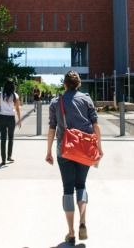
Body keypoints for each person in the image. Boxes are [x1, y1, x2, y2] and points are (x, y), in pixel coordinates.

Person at [45, 71, 102, 246]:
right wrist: (99, 148)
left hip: (65, 150)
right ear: (78, 85)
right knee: (81, 185)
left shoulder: (56, 102)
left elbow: (52, 129)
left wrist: (48, 151)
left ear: (64, 85)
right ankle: (82, 221)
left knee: (68, 188)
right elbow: (95, 125)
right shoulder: (86, 99)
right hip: (84, 150)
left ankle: (70, 233)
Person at [0, 81, 22, 166]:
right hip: (11, 118)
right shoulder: (15, 95)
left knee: (3, 139)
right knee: (11, 138)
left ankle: (3, 160)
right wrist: (19, 119)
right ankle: (9, 156)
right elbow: (17, 108)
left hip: (1, 118)